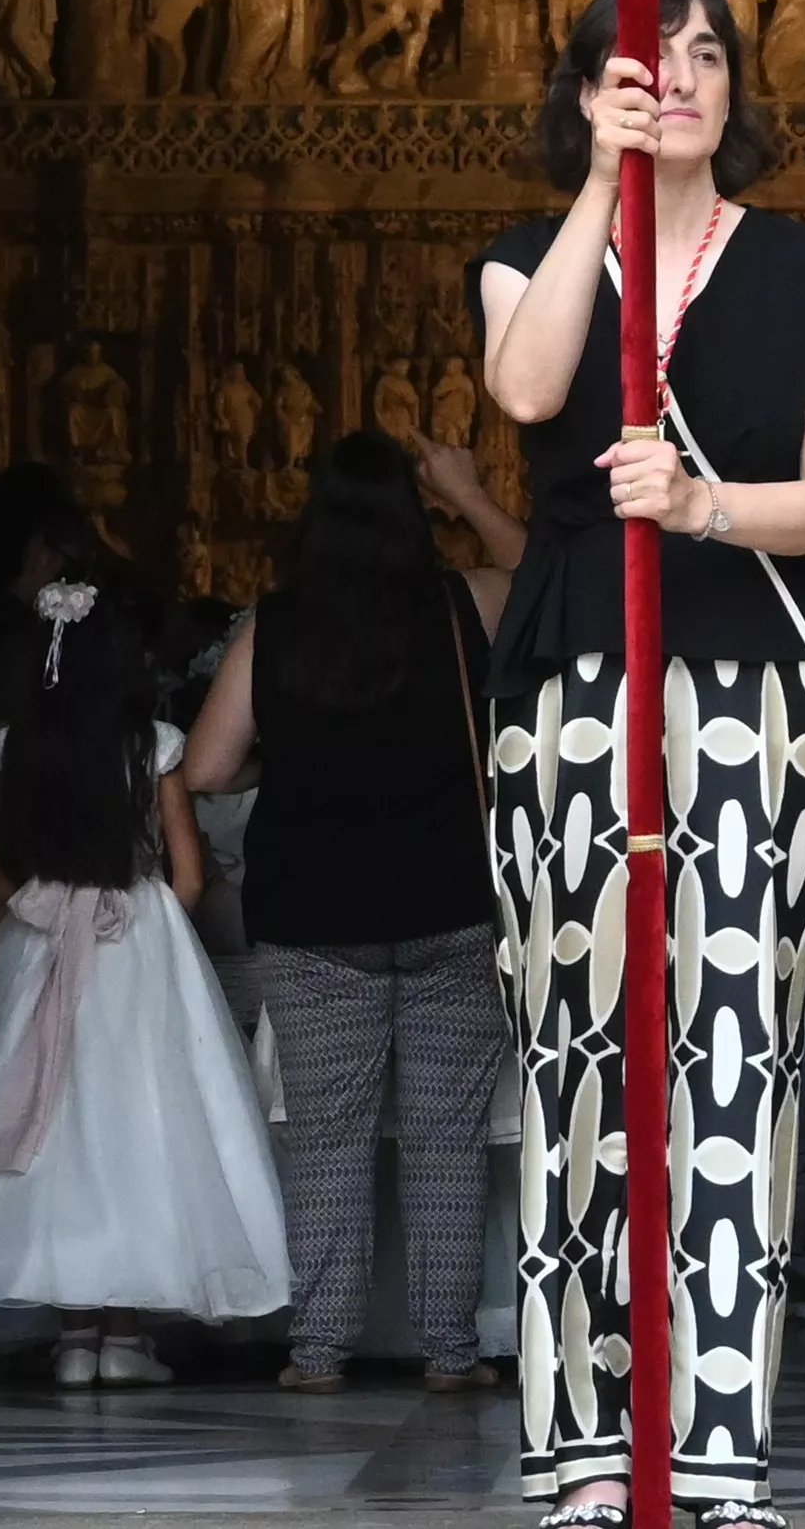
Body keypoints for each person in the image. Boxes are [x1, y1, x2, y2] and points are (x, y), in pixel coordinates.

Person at [472, 0, 805, 1529]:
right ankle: (584, 1446)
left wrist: (705, 507)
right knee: (577, 1054)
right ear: (588, 89)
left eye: (711, 54)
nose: (685, 80)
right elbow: (523, 387)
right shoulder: (529, 255)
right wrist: (602, 187)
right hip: (574, 687)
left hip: (738, 690)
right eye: (649, 62)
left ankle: (717, 1450)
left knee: (733, 1055)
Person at [178, 431, 523, 1394]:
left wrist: (280, 758)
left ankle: (319, 1348)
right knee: (445, 1136)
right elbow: (549, 579)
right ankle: (451, 1352)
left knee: (328, 1133)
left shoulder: (274, 629)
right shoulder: (466, 607)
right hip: (451, 902)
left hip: (316, 914)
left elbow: (204, 769)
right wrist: (469, 490)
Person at [0, 569, 289, 1378]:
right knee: (142, 1125)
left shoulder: (18, 747)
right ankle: (124, 1335)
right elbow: (189, 872)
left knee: (53, 1124)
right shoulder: (153, 745)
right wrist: (154, 927)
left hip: (40, 943)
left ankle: (75, 1335)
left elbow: (2, 877)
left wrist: (31, 930)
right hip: (136, 937)